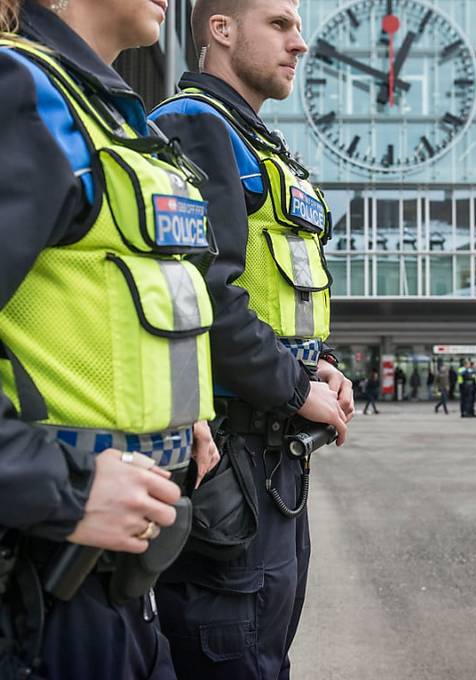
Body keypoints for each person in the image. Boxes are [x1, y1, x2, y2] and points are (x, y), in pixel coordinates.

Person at [0, 1, 222, 677]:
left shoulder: (105, 115)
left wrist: (181, 418)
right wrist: (63, 488)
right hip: (43, 581)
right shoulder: (22, 96)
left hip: (116, 573)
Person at [148, 1, 354, 678]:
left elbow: (271, 289)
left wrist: (318, 366)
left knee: (262, 654)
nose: (300, 44)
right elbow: (204, 292)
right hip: (230, 462)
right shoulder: (193, 126)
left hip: (269, 463)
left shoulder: (255, 141)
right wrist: (295, 387)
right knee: (231, 656)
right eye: (280, 24)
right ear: (221, 29)